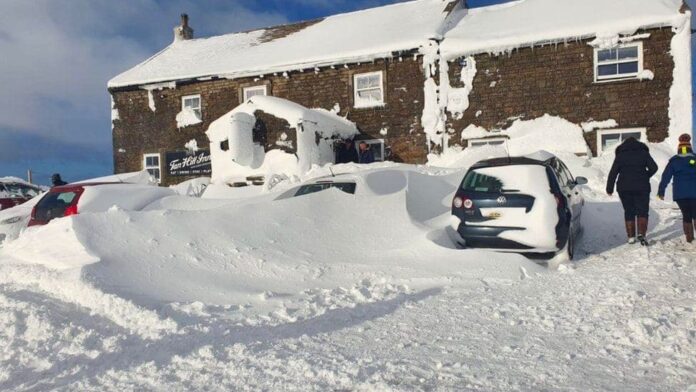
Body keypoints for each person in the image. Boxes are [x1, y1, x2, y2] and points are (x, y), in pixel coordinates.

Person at [606, 137, 658, 246]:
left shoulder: (620, 156)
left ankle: (630, 237)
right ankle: (642, 234)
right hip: (642, 187)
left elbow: (613, 173)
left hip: (624, 188)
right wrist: (645, 176)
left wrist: (609, 188)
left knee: (629, 211)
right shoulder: (644, 153)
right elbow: (654, 167)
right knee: (642, 211)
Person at [657, 133, 696, 244]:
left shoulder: (674, 161)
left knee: (686, 215)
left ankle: (689, 239)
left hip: (680, 194)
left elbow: (666, 177)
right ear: (689, 147)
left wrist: (661, 191)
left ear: (679, 148)